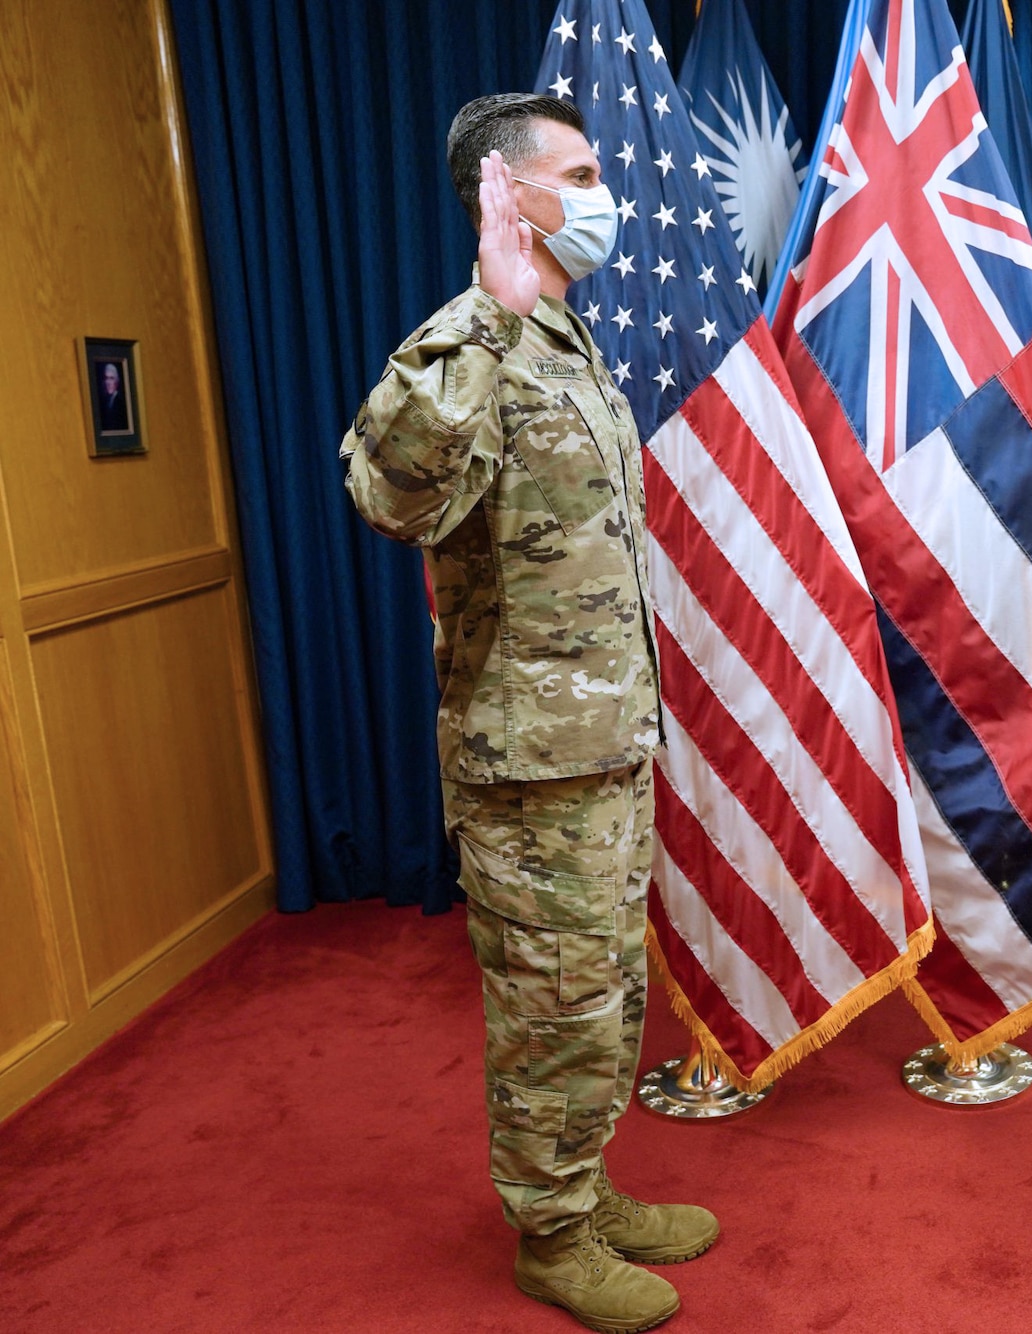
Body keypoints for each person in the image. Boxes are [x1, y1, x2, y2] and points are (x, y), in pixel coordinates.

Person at [340, 93, 714, 1333]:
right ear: (511, 193)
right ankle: (550, 1235)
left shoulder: (564, 341)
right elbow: (389, 495)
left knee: (604, 993)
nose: (609, 190)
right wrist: (488, 316)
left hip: (600, 749)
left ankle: (585, 1189)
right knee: (552, 1001)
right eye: (587, 170)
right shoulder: (475, 344)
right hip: (527, 766)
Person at [96, 360, 130, 433]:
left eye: (111, 378)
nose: (108, 382)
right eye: (106, 378)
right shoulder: (102, 403)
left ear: (117, 381)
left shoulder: (121, 403)